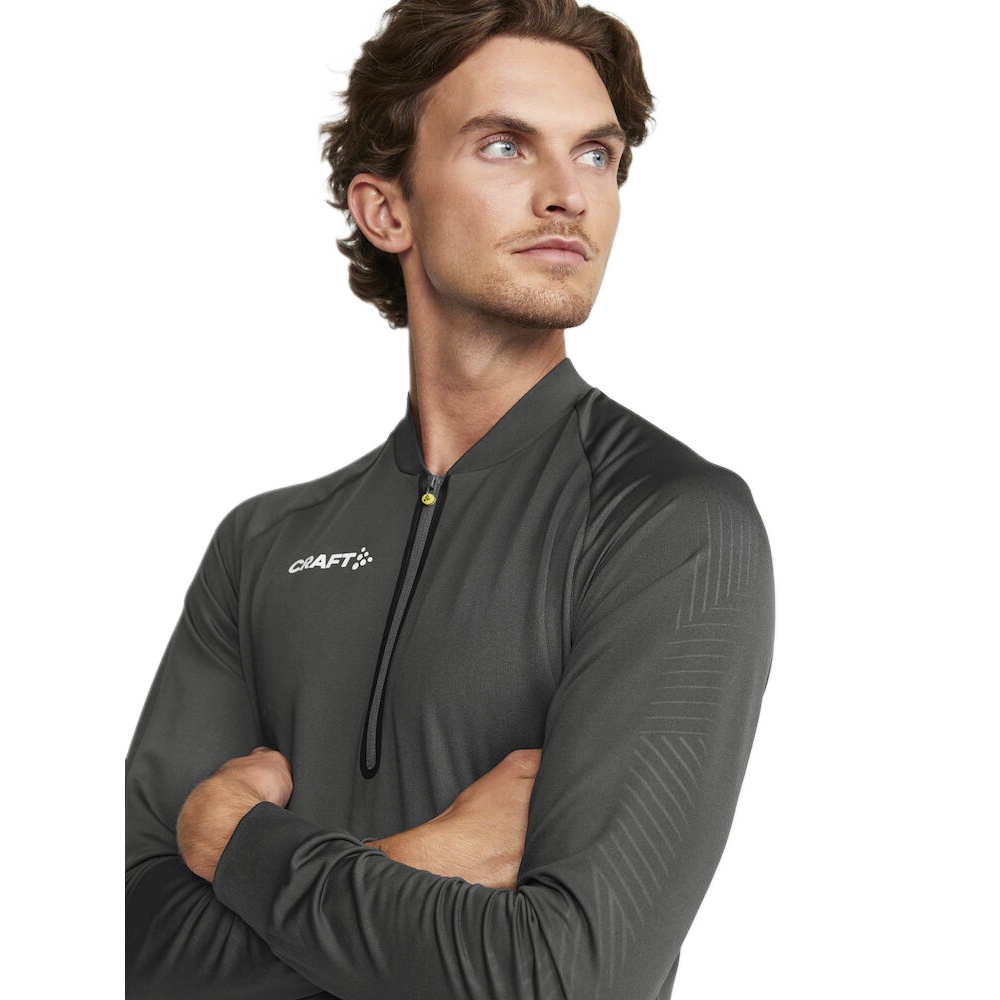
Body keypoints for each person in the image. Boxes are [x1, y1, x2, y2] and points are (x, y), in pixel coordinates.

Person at [125, 0, 775, 997]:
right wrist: (424, 857)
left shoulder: (670, 523)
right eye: (506, 146)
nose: (568, 195)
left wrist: (236, 842)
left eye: (596, 155)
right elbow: (127, 950)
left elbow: (566, 976)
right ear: (386, 210)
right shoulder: (262, 545)